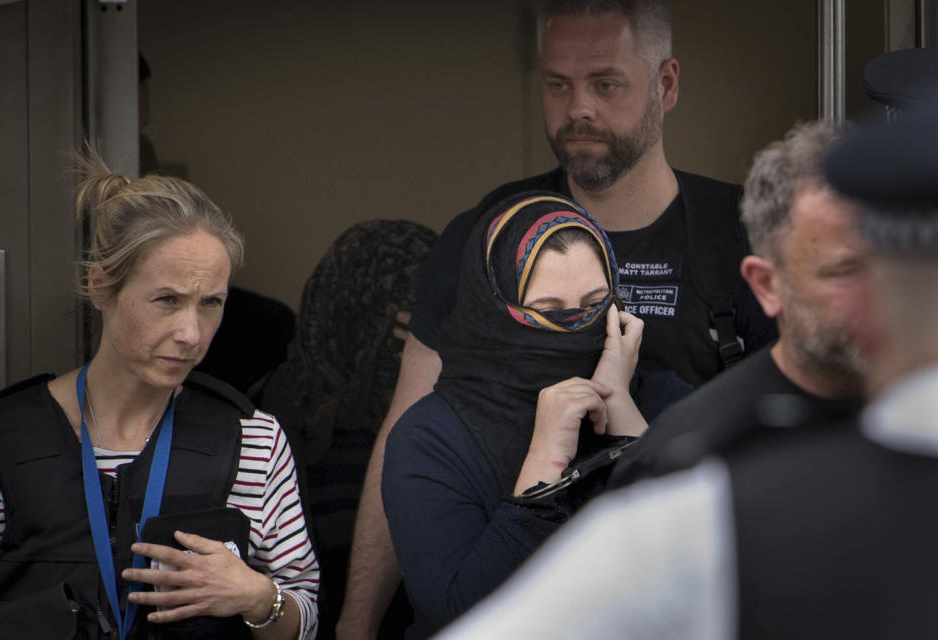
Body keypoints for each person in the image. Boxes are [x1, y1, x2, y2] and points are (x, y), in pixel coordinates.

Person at [339, 2, 776, 635]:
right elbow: (409, 428)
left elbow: (787, 446)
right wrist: (356, 622)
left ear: (667, 84)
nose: (579, 110)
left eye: (606, 83)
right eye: (557, 85)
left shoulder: (742, 236)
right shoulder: (483, 239)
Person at [434, 105, 938, 639]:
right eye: (840, 271)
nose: (859, 297)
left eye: (871, 270)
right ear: (766, 285)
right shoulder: (706, 492)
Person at [0, 150, 319, 639]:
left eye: (211, 304)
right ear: (101, 287)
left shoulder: (253, 441)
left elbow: (305, 617)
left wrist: (260, 598)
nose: (191, 333)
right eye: (167, 300)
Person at [381, 192, 691, 638]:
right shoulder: (431, 439)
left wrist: (620, 410)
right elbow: (464, 617)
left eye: (595, 304)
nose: (576, 325)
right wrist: (542, 468)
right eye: (548, 312)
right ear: (493, 311)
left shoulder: (668, 403)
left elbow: (702, 567)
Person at [608, 120, 869, 488]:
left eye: (899, 266)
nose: (883, 293)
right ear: (768, 285)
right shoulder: (689, 456)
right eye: (844, 271)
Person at [260, 219, 438, 640]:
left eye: (425, 317)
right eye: (392, 320)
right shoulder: (276, 420)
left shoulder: (445, 425)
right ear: (347, 303)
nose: (406, 342)